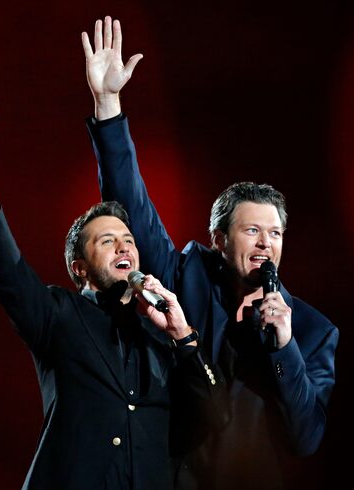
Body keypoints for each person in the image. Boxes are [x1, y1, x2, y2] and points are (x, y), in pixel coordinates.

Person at [82, 16, 339, 490]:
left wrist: (284, 346)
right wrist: (108, 105)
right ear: (220, 239)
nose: (266, 243)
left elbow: (305, 439)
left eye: (276, 234)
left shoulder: (311, 331)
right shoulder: (184, 277)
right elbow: (132, 207)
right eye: (252, 231)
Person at [0, 122, 226, 490]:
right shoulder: (59, 314)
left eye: (129, 240)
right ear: (79, 268)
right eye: (108, 241)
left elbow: (211, 419)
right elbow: (8, 268)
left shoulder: (162, 341)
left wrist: (184, 338)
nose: (124, 247)